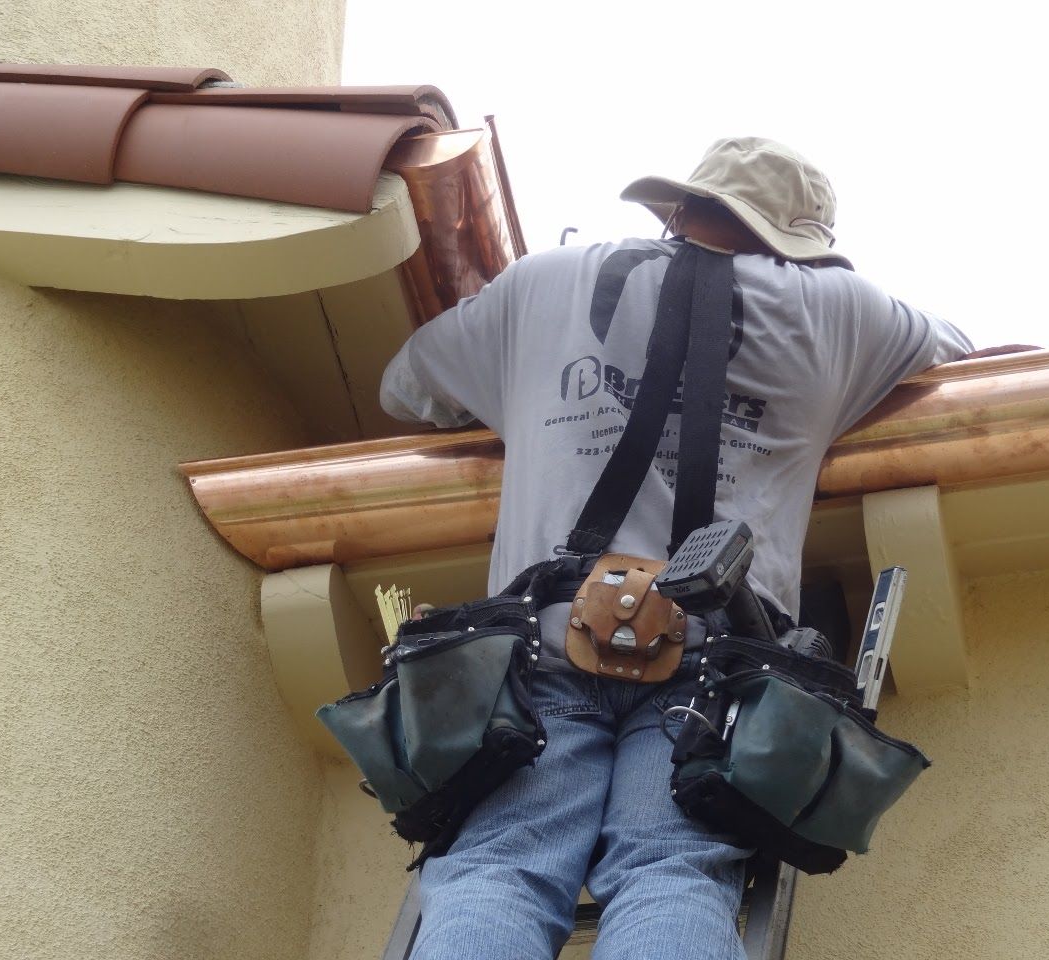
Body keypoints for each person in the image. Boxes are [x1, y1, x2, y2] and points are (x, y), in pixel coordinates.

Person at [379, 137, 975, 960]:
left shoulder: (546, 284)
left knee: (499, 871)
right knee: (674, 875)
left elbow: (408, 385)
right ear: (801, 246)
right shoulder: (843, 312)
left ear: (679, 207)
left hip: (542, 645)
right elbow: (957, 353)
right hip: (714, 664)